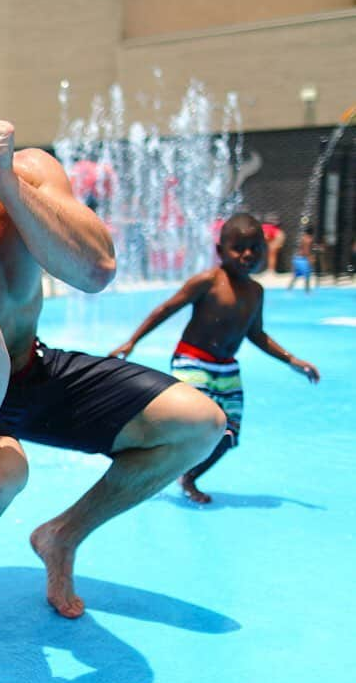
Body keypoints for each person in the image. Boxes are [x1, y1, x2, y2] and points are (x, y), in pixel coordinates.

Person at [0, 61, 225, 637]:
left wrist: (7, 186)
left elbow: (97, 271)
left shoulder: (30, 171)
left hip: (31, 366)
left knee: (199, 424)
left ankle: (61, 535)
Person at [110, 213, 320, 504]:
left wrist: (292, 360)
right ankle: (142, 453)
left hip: (226, 369)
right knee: (192, 421)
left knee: (229, 433)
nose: (248, 254)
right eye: (239, 248)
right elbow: (166, 309)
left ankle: (189, 477)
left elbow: (257, 334)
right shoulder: (208, 281)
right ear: (220, 251)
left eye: (255, 248)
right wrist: (132, 341)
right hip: (192, 361)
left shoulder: (256, 292)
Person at [288, 226, 315, 292]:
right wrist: (310, 259)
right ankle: (307, 293)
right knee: (307, 276)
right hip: (303, 260)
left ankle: (288, 290)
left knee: (296, 276)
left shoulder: (303, 238)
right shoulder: (309, 239)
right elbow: (306, 251)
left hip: (296, 259)